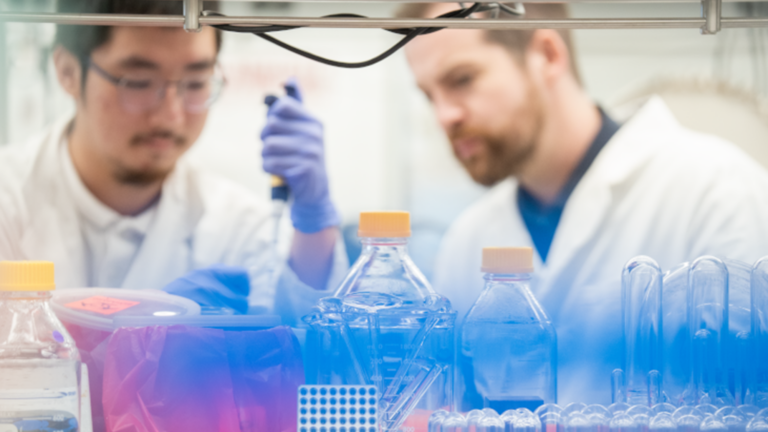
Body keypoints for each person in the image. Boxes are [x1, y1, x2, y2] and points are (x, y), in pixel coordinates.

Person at [398, 2, 768, 404]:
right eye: (429, 95)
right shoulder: (466, 240)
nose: (444, 115)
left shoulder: (716, 189)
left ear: (547, 55)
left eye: (462, 79)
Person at [0, 0, 346, 324]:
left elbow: (299, 330)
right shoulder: (8, 201)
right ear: (67, 71)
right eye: (138, 82)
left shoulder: (235, 225)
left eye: (195, 83)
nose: (171, 115)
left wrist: (314, 227)